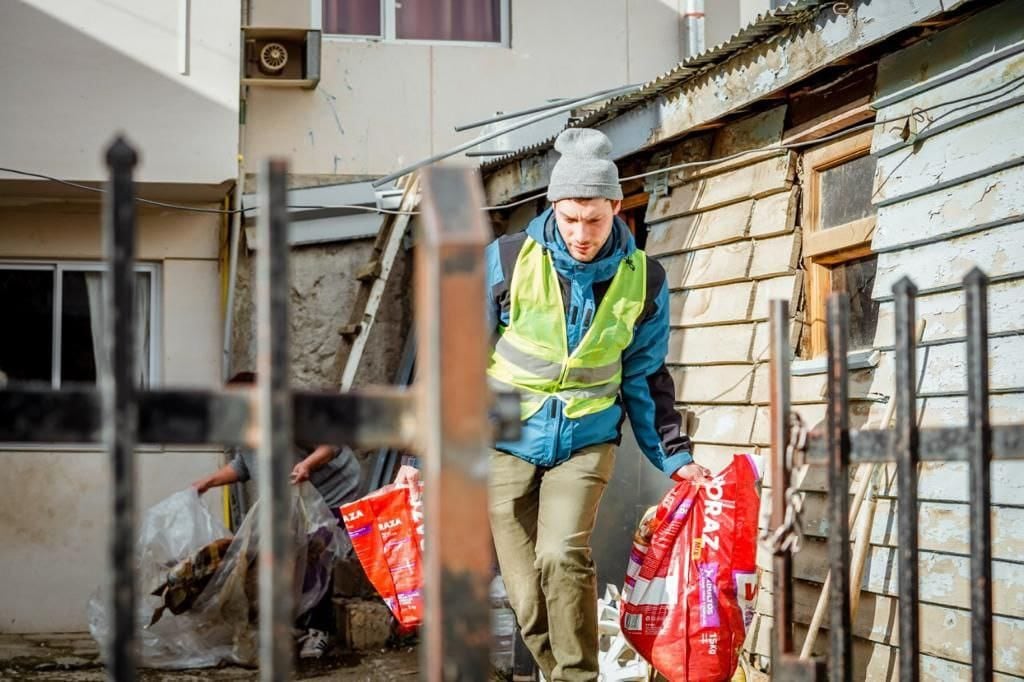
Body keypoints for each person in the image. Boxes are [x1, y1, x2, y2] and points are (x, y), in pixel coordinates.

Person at [483, 127, 710, 681]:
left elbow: (647, 376)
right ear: (553, 206)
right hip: (503, 437)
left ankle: (579, 678)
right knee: (525, 595)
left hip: (586, 440)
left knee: (562, 555)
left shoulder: (645, 280)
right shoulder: (508, 259)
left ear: (616, 208)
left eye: (595, 219)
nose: (582, 234)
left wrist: (677, 458)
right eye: (570, 219)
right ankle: (558, 675)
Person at [191, 371, 362, 660]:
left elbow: (330, 445)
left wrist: (307, 464)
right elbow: (243, 465)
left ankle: (320, 631)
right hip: (295, 500)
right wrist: (207, 482)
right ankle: (294, 624)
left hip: (334, 492)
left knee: (317, 556)